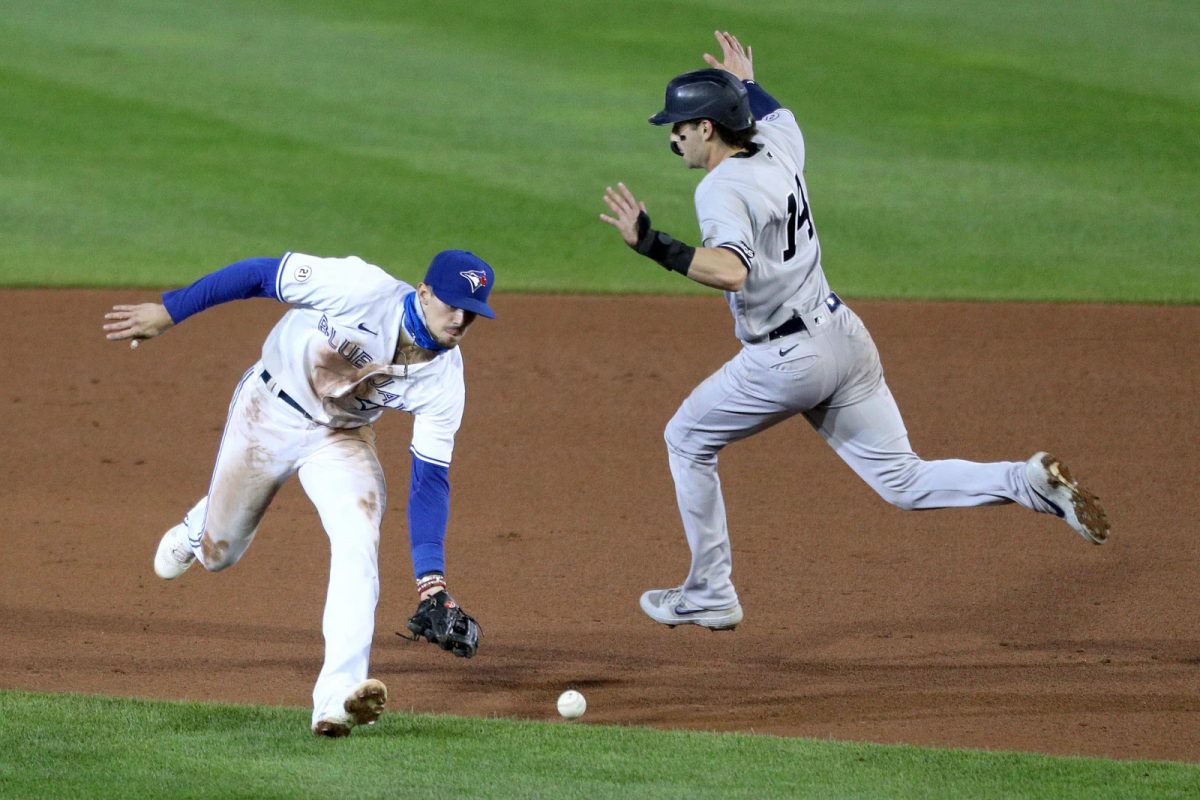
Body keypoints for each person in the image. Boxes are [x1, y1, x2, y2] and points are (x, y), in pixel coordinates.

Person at [600, 31, 1109, 632]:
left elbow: (733, 271)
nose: (673, 137)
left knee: (686, 440)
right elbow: (779, 114)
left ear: (708, 128)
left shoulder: (718, 189)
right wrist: (749, 84)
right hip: (844, 337)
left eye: (680, 125)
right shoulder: (779, 145)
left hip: (785, 362)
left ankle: (711, 590)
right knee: (904, 480)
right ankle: (1024, 483)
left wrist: (650, 244)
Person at [103, 249, 494, 735]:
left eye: (472, 311)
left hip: (343, 439)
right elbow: (257, 275)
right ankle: (198, 527)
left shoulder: (445, 380)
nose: (460, 319)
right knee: (219, 553)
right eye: (452, 304)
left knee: (358, 541)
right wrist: (170, 310)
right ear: (424, 293)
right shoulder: (359, 289)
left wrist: (430, 580)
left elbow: (430, 480)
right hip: (269, 411)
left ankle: (336, 699)